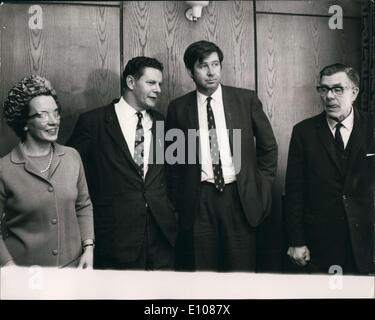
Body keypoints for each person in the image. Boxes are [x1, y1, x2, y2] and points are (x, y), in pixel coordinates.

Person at [166, 40, 278, 271]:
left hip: (239, 196)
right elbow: (173, 162)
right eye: (203, 66)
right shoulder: (178, 107)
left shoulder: (245, 99)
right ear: (190, 71)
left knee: (241, 272)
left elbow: (268, 148)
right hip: (199, 200)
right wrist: (180, 199)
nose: (211, 72)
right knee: (202, 272)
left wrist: (262, 186)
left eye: (215, 64)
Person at [67, 56, 177, 270]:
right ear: (130, 82)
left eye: (160, 84)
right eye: (151, 83)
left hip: (162, 239)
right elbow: (72, 177)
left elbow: (174, 174)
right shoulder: (93, 123)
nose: (158, 90)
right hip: (115, 239)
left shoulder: (163, 123)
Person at [285, 63, 374, 274]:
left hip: (367, 240)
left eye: (338, 89)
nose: (329, 96)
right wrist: (296, 241)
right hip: (321, 242)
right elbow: (295, 192)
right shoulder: (303, 132)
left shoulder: (373, 126)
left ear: (355, 92)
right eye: (324, 89)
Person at [0, 75, 94, 268]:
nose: (54, 121)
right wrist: (8, 266)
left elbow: (83, 205)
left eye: (56, 112)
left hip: (72, 270)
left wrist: (89, 248)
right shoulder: (4, 169)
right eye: (43, 114)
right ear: (24, 121)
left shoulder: (71, 157)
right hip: (25, 274)